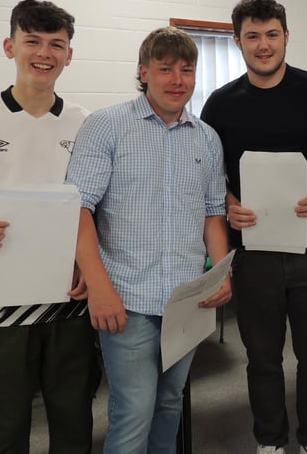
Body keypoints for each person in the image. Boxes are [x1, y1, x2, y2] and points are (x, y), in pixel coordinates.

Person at [0, 0, 101, 453]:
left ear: (69, 54)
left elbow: (91, 209)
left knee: (73, 417)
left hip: (67, 297)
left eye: (57, 44)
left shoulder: (87, 123)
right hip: (0, 296)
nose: (44, 53)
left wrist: (88, 269)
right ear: (10, 46)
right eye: (32, 41)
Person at [66, 26, 231, 453]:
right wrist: (99, 287)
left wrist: (219, 273)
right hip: (128, 299)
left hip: (186, 299)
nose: (177, 80)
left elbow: (213, 213)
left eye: (187, 70)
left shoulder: (207, 139)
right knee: (134, 410)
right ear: (144, 73)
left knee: (170, 403)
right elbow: (78, 209)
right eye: (165, 69)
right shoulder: (107, 127)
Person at [200, 0, 307, 454]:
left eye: (272, 34)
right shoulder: (220, 105)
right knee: (262, 360)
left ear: (286, 36)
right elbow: (207, 175)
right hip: (252, 252)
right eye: (253, 36)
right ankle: (271, 442)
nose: (264, 45)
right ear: (237, 41)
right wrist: (227, 201)